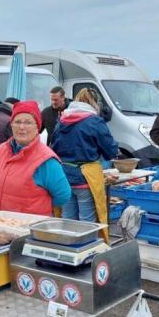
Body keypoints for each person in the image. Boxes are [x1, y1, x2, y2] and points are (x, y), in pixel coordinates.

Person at [0, 100, 71, 216]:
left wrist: (40, 206)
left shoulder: (46, 160)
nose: (21, 127)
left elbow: (63, 195)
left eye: (28, 122)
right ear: (11, 125)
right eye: (17, 122)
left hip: (29, 231)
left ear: (37, 127)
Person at [51, 89, 119, 222]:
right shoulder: (95, 121)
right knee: (87, 222)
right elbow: (110, 151)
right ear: (95, 103)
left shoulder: (61, 120)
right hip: (86, 179)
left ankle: (66, 242)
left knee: (67, 220)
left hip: (64, 177)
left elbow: (54, 147)